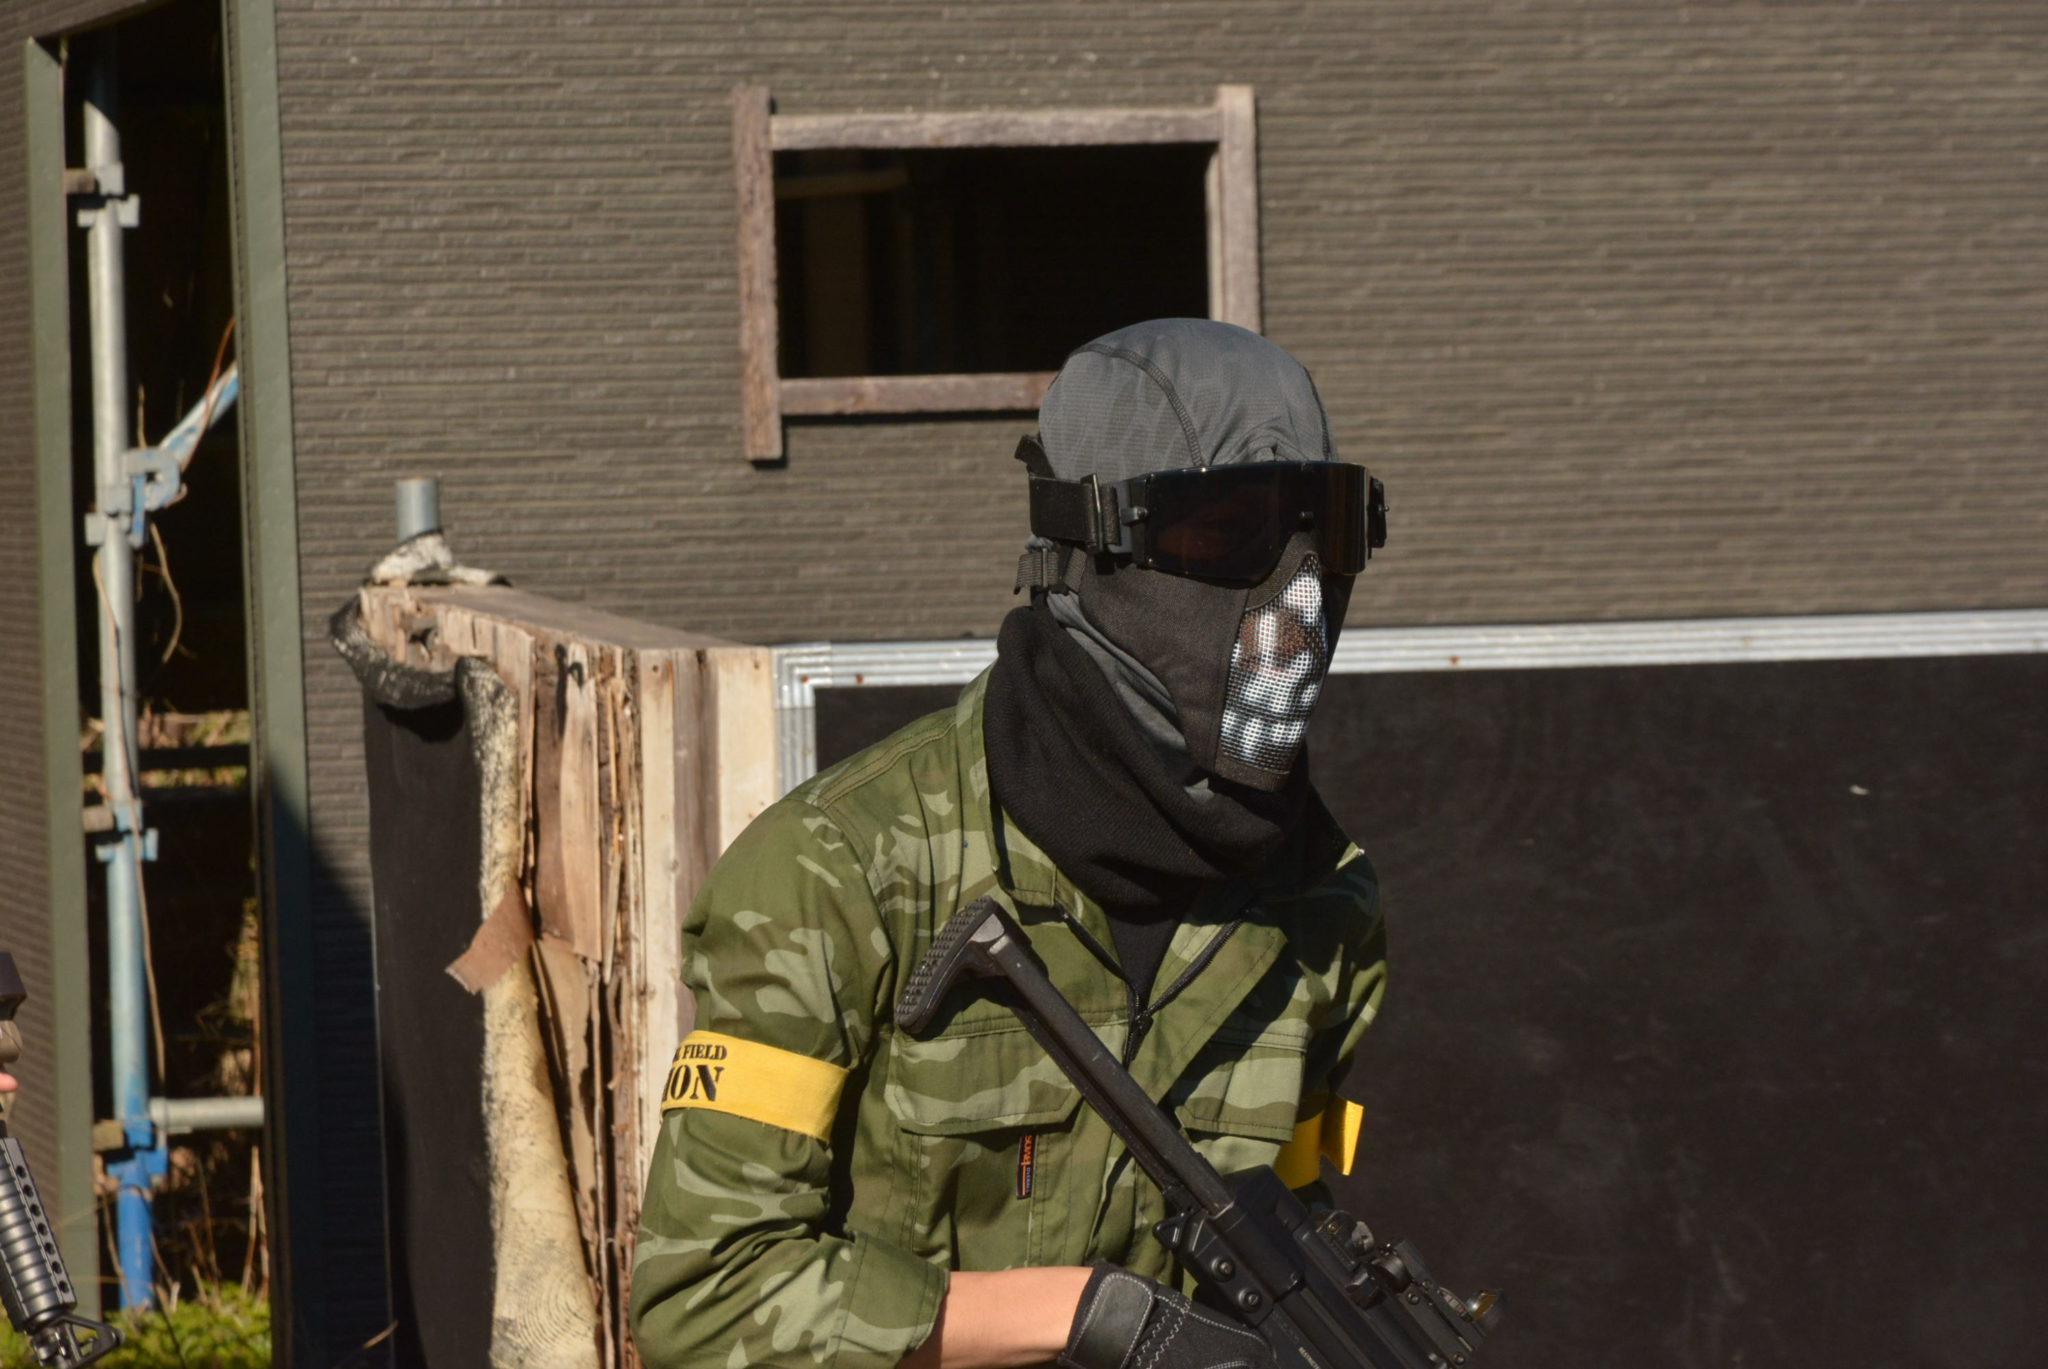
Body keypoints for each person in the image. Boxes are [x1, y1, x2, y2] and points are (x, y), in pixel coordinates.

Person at [632, 319, 1390, 1369]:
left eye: (1334, 533)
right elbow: (704, 1299)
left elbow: (1288, 1236)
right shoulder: (843, 866)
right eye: (1228, 534)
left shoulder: (1323, 905)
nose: (1298, 606)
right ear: (1090, 544)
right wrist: (1089, 1314)